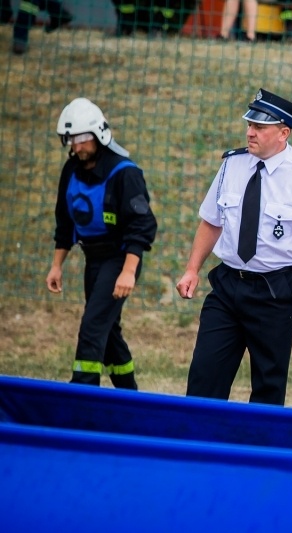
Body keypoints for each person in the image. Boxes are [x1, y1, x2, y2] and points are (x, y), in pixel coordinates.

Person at [176, 88, 292, 405]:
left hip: (274, 290)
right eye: (249, 124)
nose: (250, 132)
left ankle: (258, 452)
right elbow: (212, 221)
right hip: (227, 285)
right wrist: (192, 269)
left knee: (268, 385)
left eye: (260, 127)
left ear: (283, 132)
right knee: (204, 377)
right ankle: (197, 451)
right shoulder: (232, 165)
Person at [46, 98, 158, 389]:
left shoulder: (125, 173)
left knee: (93, 327)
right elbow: (65, 221)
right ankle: (128, 396)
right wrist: (56, 266)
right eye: (71, 140)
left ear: (99, 135)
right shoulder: (71, 171)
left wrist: (128, 272)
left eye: (82, 139)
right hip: (93, 259)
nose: (77, 146)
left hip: (120, 259)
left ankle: (82, 397)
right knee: (108, 332)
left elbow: (142, 225)